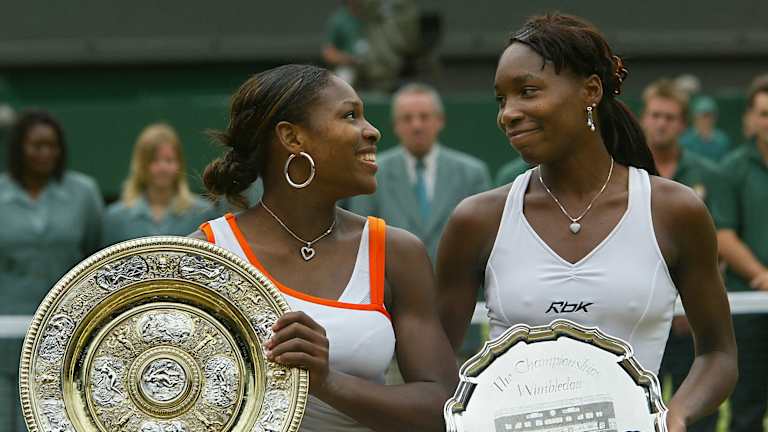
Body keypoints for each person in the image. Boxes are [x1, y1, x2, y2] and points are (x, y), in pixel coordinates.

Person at [436, 14, 736, 432]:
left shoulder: (673, 211)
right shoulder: (477, 220)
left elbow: (718, 354)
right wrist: (475, 414)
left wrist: (674, 415)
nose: (509, 114)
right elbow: (433, 364)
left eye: (526, 92)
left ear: (590, 91)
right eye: (502, 100)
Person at [191, 64, 457, 431]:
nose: (372, 131)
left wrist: (328, 382)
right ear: (293, 138)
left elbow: (446, 407)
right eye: (350, 116)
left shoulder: (397, 252)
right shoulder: (208, 254)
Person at [0, 109, 103, 432]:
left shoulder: (83, 192)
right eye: (36, 145)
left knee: (57, 416)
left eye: (52, 146)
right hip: (6, 327)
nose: (45, 153)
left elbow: (94, 252)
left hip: (63, 327)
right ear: (19, 149)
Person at [640, 78, 724, 432]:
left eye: (670, 117)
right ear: (644, 118)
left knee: (697, 417)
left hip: (692, 321)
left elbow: (719, 243)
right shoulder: (621, 173)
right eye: (655, 115)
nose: (661, 123)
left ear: (683, 126)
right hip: (640, 317)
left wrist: (694, 303)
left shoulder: (708, 175)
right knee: (639, 410)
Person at [345, 83, 491, 260]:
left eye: (424, 117)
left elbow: (483, 241)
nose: (416, 126)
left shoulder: (472, 174)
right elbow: (361, 240)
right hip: (390, 284)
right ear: (395, 125)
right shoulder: (371, 171)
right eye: (407, 118)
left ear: (440, 121)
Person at [712, 75, 768, 432]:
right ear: (749, 119)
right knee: (746, 410)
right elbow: (723, 235)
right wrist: (763, 277)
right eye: (764, 114)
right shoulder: (731, 169)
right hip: (749, 308)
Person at [102, 123, 216, 246]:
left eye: (169, 160)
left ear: (180, 163)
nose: (163, 168)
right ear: (141, 166)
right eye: (154, 161)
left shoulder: (202, 212)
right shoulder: (116, 218)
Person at [680, 96, 732, 162]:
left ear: (715, 117)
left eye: (709, 115)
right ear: (695, 117)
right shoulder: (685, 140)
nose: (706, 120)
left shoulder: (722, 140)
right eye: (703, 116)